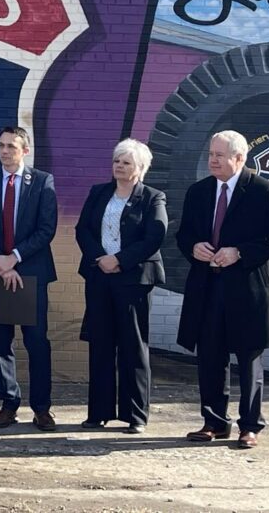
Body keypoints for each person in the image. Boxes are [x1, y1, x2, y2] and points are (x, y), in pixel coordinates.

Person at [175, 130, 269, 450]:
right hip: (208, 288)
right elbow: (183, 235)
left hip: (248, 291)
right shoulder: (198, 192)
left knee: (249, 358)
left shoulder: (264, 190)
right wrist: (193, 247)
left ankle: (249, 426)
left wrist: (239, 252)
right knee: (210, 356)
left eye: (220, 155)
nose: (213, 160)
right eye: (211, 154)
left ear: (240, 159)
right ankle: (214, 421)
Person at [75, 139, 167, 434]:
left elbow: (153, 237)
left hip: (133, 280)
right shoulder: (99, 192)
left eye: (126, 162)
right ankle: (98, 412)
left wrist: (120, 260)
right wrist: (100, 259)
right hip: (100, 277)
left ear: (140, 168)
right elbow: (83, 230)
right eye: (117, 160)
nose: (119, 166)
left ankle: (135, 415)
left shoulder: (153, 197)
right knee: (101, 344)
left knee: (133, 346)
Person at [0, 126, 58, 431]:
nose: (5, 151)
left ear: (25, 150)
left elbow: (46, 229)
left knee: (36, 342)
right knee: (0, 343)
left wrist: (15, 258)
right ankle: (8, 404)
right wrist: (1, 263)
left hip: (29, 275)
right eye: (1, 145)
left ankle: (42, 408)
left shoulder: (43, 182)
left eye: (11, 146)